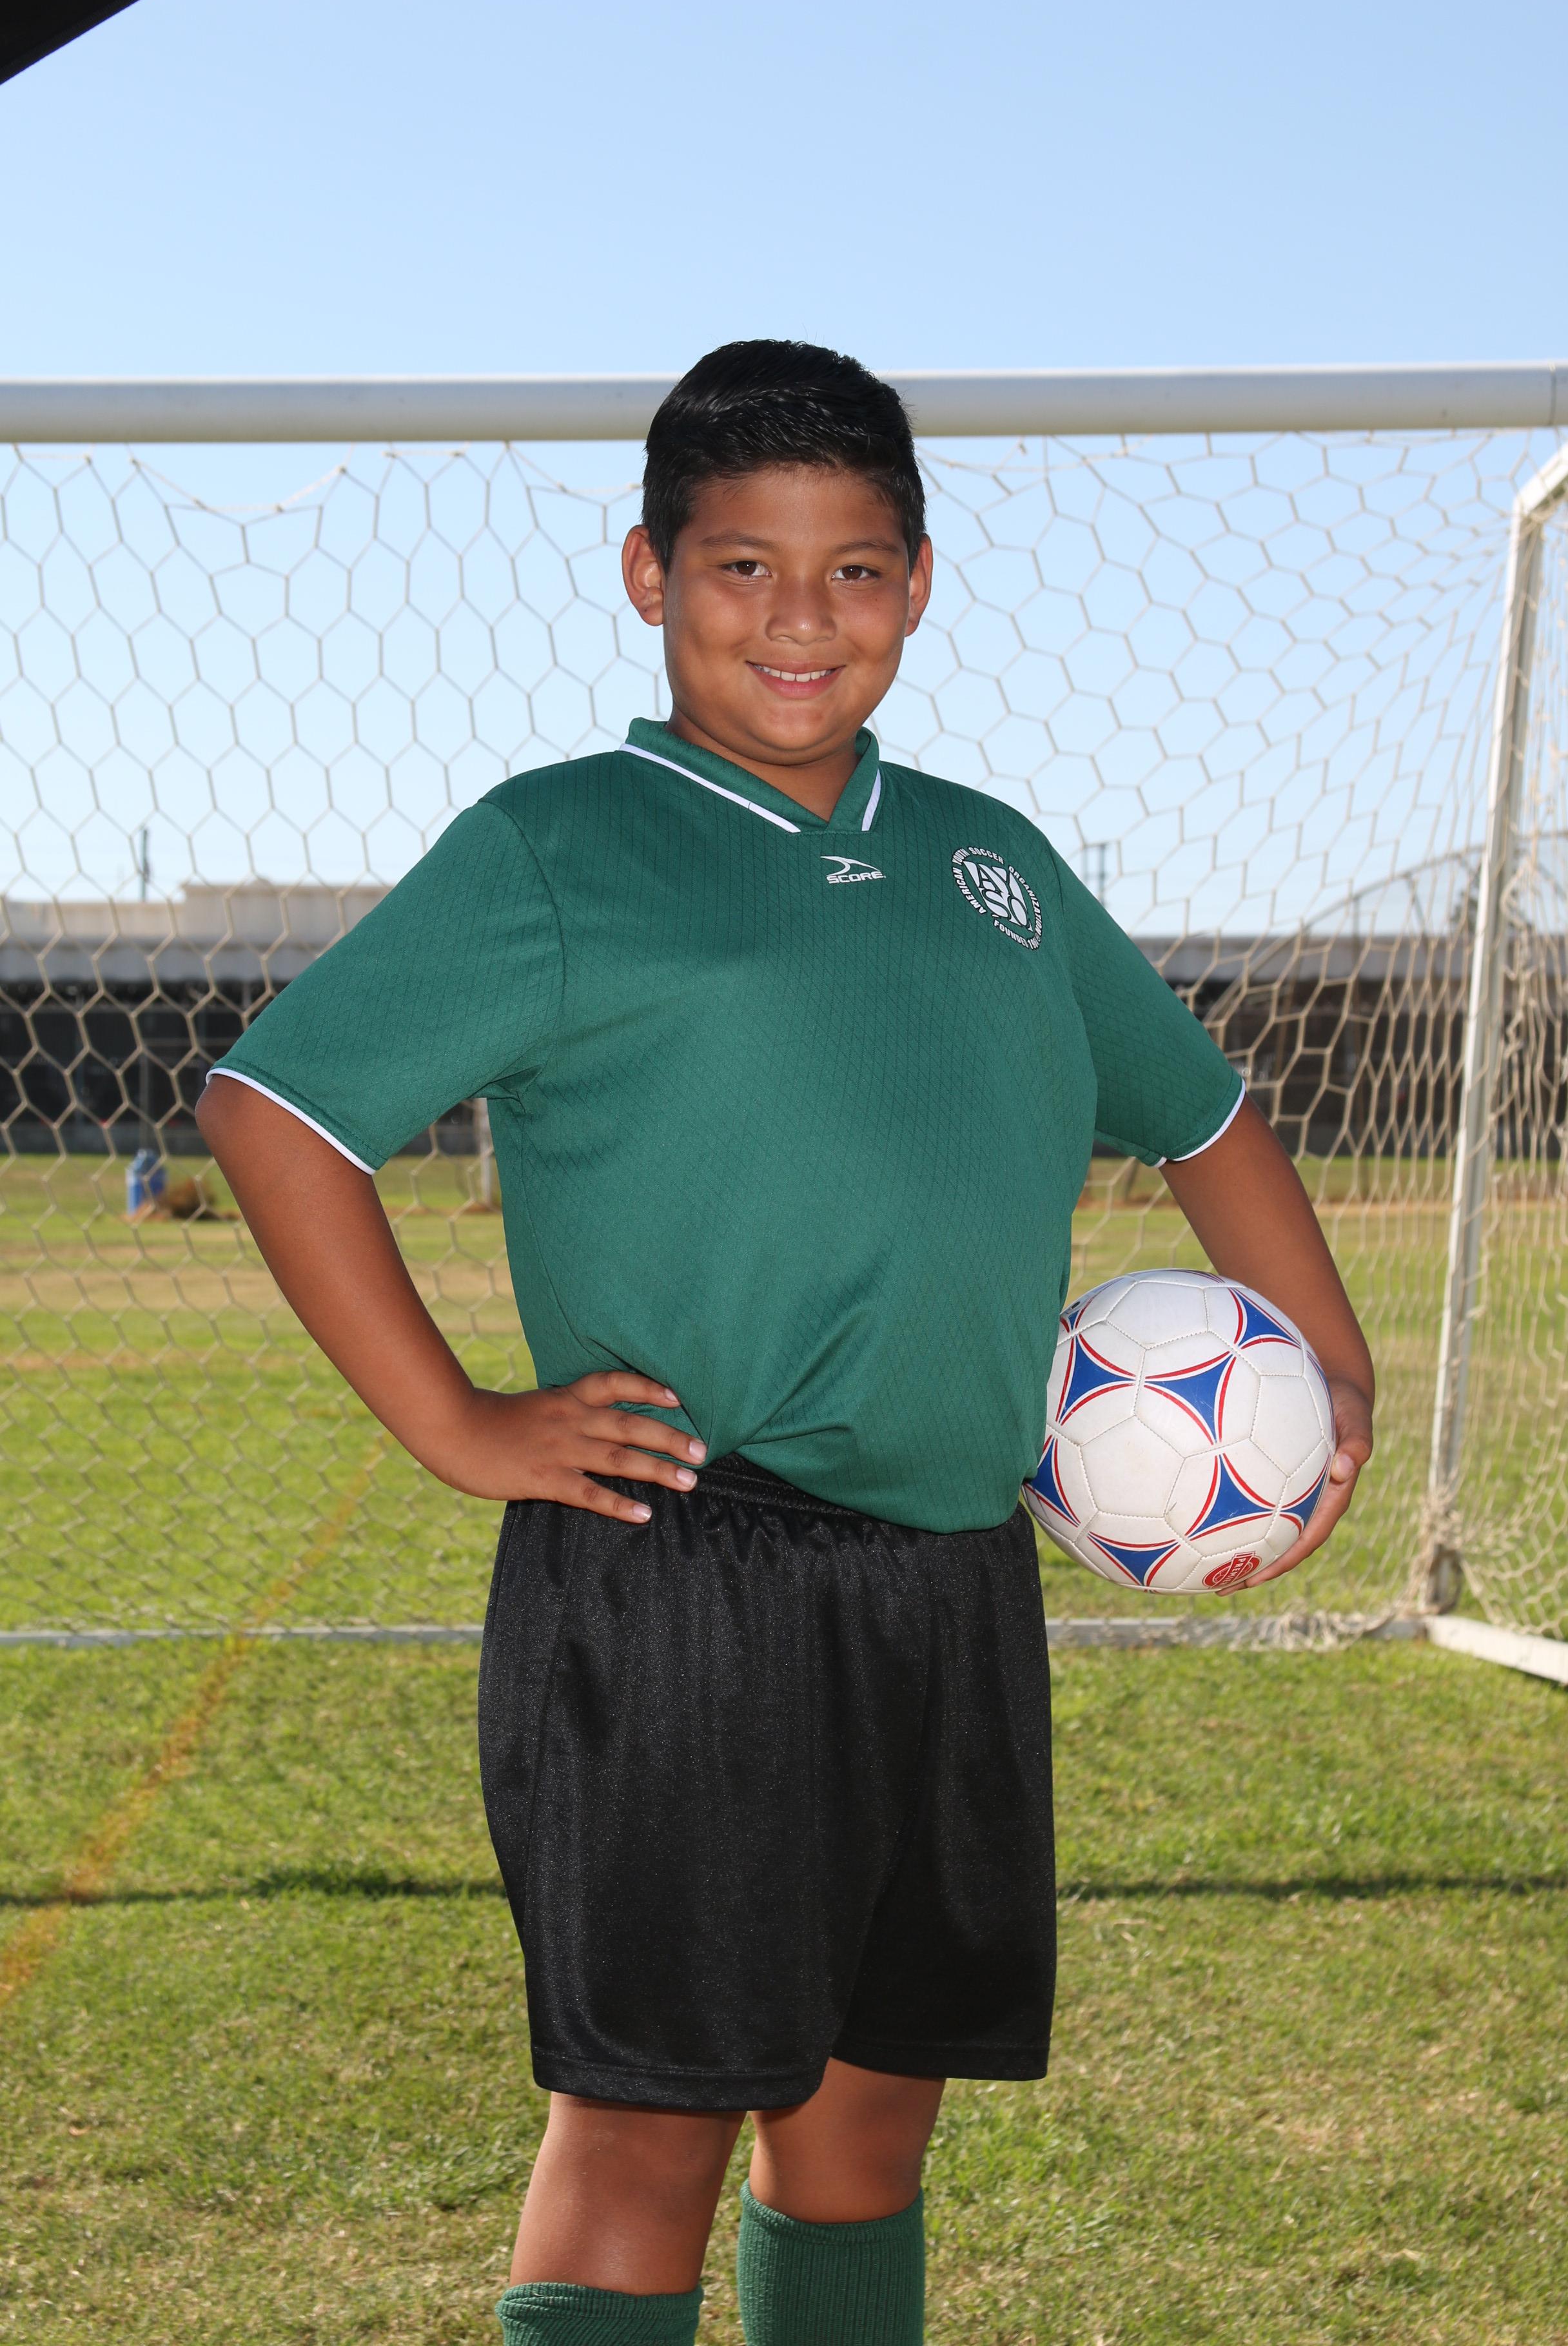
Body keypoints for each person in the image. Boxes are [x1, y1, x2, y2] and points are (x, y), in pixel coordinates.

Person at [197, 340, 1375, 2346]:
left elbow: (1203, 1115)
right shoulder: (568, 843)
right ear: (649, 575)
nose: (799, 619)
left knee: (869, 2112)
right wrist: (459, 1423)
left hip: (951, 1574)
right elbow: (275, 1112)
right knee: (650, 2125)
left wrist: (1331, 1373)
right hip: (683, 1570)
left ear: (917, 584)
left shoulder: (992, 865)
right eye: (743, 567)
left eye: (851, 571)